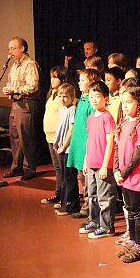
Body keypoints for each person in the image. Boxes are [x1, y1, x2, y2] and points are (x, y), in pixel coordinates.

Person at [114, 83, 140, 262]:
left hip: (135, 176)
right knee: (129, 210)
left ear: (139, 102)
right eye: (123, 102)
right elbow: (117, 147)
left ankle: (139, 245)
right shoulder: (123, 122)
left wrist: (125, 172)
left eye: (129, 102)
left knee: (138, 211)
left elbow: (139, 152)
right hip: (124, 176)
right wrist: (116, 169)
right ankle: (132, 240)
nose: (125, 106)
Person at [78, 81, 117, 239]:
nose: (94, 100)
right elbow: (89, 140)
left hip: (103, 165)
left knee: (104, 197)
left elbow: (110, 142)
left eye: (98, 96)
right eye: (91, 97)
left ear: (105, 98)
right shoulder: (91, 118)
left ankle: (107, 226)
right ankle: (94, 221)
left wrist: (105, 165)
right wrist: (85, 160)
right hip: (91, 163)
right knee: (92, 195)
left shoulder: (107, 117)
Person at [2, 36, 40, 181]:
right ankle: (16, 167)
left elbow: (33, 86)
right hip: (15, 104)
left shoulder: (30, 64)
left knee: (26, 138)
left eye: (13, 48)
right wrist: (8, 89)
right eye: (9, 49)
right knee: (15, 138)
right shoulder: (13, 66)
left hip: (26, 104)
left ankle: (29, 169)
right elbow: (11, 83)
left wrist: (15, 89)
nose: (10, 52)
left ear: (22, 49)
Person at [66, 68, 101, 219]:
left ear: (92, 82)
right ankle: (86, 204)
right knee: (81, 177)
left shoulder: (92, 103)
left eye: (82, 80)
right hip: (78, 144)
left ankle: (89, 208)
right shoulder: (82, 100)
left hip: (86, 145)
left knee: (88, 180)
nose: (79, 83)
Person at [41, 65, 69, 204]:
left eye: (55, 77)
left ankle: (64, 196)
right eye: (51, 77)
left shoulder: (62, 96)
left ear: (62, 79)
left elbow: (64, 118)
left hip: (58, 137)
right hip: (50, 136)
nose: (52, 80)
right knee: (57, 167)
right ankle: (59, 194)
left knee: (62, 168)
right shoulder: (51, 94)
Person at [53, 84, 80, 216]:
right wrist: (56, 142)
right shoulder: (61, 109)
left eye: (65, 96)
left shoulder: (73, 109)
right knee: (64, 177)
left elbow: (71, 129)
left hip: (68, 148)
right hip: (61, 147)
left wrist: (64, 146)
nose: (62, 99)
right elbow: (59, 127)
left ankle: (71, 205)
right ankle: (64, 202)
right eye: (60, 96)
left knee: (70, 178)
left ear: (72, 97)